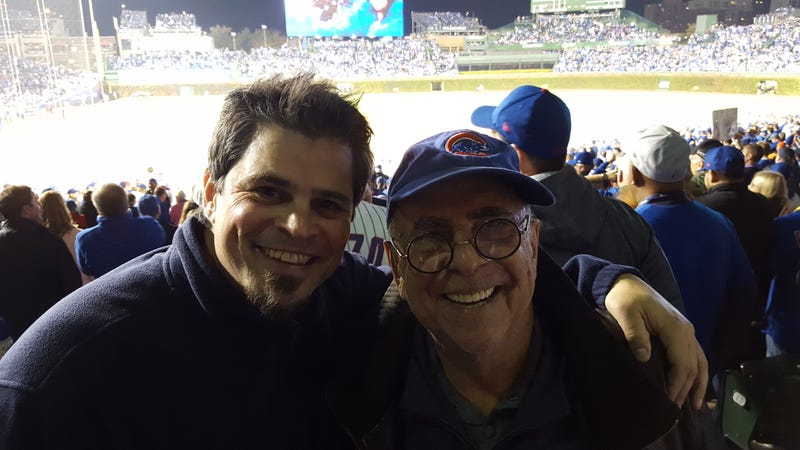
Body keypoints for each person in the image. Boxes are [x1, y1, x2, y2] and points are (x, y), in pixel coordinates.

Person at [0, 75, 704, 449]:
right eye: (268, 192)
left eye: (329, 205)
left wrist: (610, 280)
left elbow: (478, 281)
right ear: (209, 192)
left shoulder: (345, 300)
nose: (300, 226)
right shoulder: (57, 376)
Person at [353, 129, 720, 449]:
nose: (467, 262)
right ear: (397, 267)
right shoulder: (347, 382)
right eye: (430, 239)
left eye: (497, 228)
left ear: (533, 243)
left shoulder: (644, 379)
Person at [470, 85, 684, 312]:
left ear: (516, 156)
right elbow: (671, 315)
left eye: (494, 144)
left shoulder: (492, 237)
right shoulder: (628, 220)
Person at [619, 124, 759, 379]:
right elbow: (745, 294)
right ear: (686, 172)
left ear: (636, 176)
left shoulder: (631, 229)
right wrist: (715, 358)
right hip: (707, 367)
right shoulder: (719, 223)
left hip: (654, 374)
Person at [696, 145, 775, 358]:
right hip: (758, 301)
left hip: (718, 306)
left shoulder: (702, 207)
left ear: (711, 174)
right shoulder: (762, 203)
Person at [0, 185, 82, 341]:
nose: (40, 206)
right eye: (36, 202)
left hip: (17, 327)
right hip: (52, 324)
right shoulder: (47, 240)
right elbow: (72, 284)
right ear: (26, 210)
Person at [75, 183, 166, 280]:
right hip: (152, 289)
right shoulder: (151, 226)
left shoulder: (85, 240)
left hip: (110, 292)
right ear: (126, 202)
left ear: (97, 207)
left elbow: (87, 271)